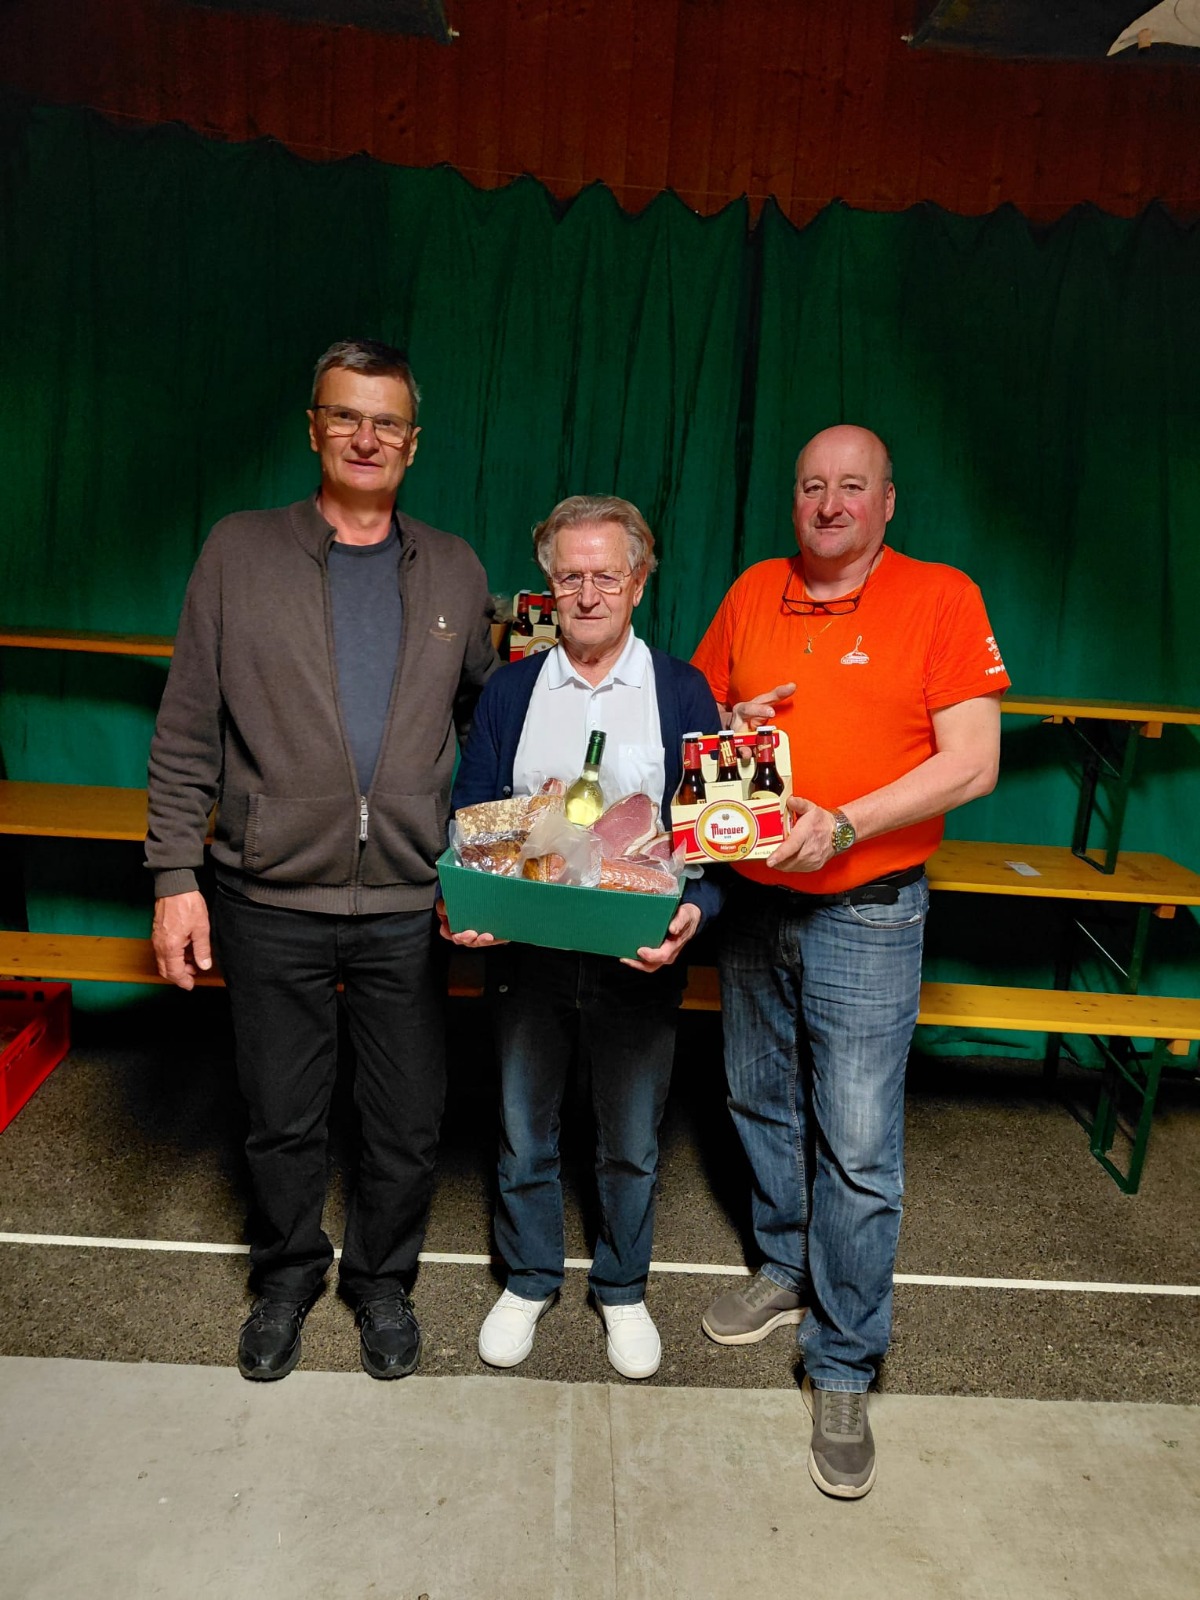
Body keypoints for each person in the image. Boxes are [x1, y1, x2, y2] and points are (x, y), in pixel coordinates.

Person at [146, 338, 497, 1382]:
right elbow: (186, 729)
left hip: (408, 897)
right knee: (281, 1114)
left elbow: (491, 725)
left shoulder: (455, 566)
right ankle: (287, 1276)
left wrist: (484, 864)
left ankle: (382, 1283)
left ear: (413, 444)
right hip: (268, 892)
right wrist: (175, 877)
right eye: (346, 415)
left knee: (407, 1118)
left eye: (387, 422)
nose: (365, 437)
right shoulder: (238, 551)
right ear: (314, 428)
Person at [691, 425, 1009, 1497]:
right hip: (752, 902)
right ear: (795, 499)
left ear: (887, 502)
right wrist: (725, 718)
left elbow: (973, 763)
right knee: (759, 1102)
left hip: (868, 912)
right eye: (812, 486)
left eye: (852, 487)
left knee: (861, 1148)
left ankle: (842, 1361)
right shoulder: (754, 590)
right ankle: (785, 1263)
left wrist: (844, 823)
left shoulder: (941, 597)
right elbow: (699, 712)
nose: (830, 504)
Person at [442, 495, 722, 1380]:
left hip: (637, 958)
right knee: (524, 1130)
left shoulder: (682, 691)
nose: (588, 594)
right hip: (529, 954)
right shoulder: (512, 690)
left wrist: (698, 915)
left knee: (630, 1141)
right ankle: (528, 1278)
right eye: (571, 578)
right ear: (549, 588)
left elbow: (717, 836)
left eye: (607, 575)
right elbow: (473, 815)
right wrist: (468, 899)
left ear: (639, 583)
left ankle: (623, 1289)